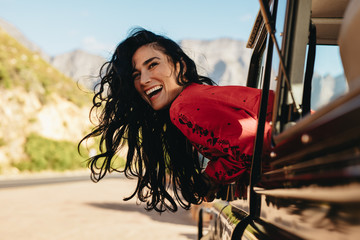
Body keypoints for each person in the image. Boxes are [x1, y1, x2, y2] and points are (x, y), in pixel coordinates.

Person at [79, 28, 274, 212]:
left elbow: (256, 142)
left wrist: (211, 178)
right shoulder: (197, 97)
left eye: (153, 65)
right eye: (136, 75)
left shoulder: (184, 107)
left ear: (179, 66)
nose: (144, 80)